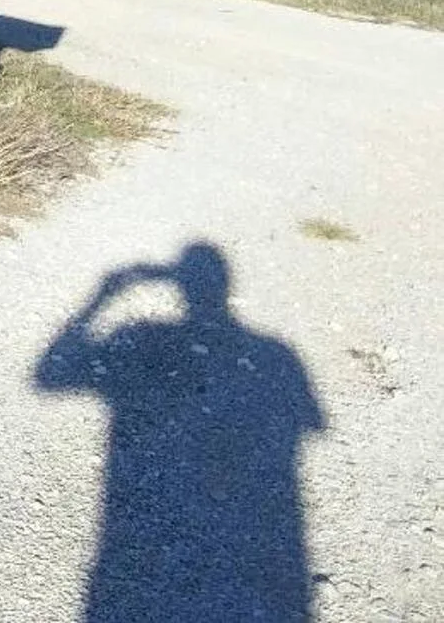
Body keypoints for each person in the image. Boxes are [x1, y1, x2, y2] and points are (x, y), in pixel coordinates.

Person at [34, 243, 323, 621]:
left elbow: (49, 376)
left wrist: (102, 298)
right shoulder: (277, 354)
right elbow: (311, 424)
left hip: (131, 530)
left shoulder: (140, 333)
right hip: (263, 538)